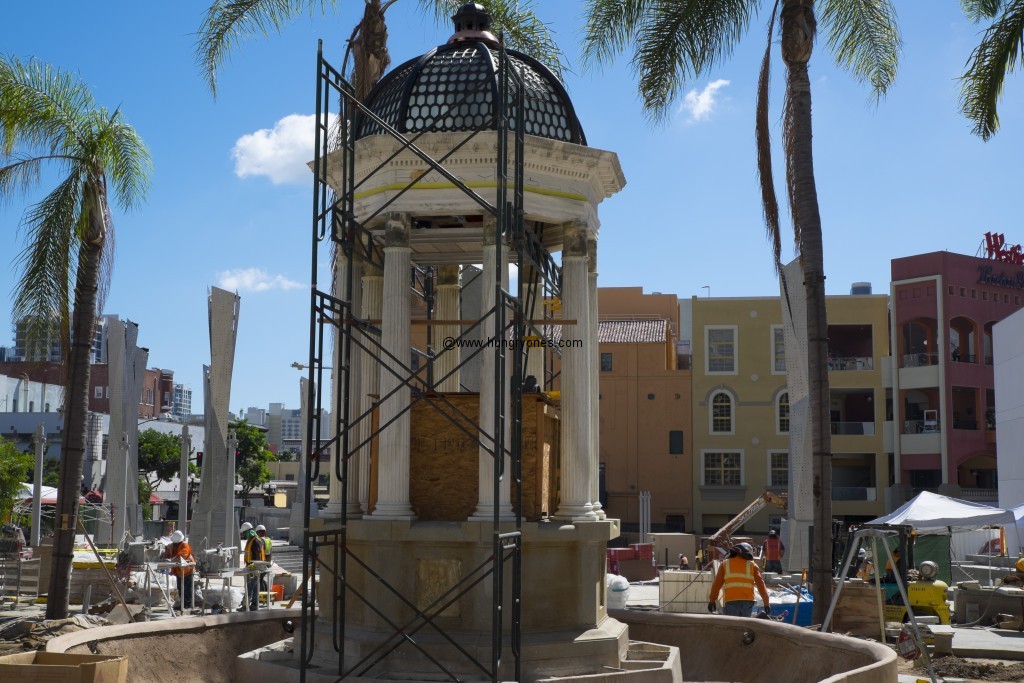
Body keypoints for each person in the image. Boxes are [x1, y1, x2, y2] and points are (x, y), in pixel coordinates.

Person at [707, 543, 771, 618]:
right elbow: (761, 585)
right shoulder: (752, 565)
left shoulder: (725, 564)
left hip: (731, 600)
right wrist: (766, 603)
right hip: (747, 601)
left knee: (733, 627)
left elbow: (716, 585)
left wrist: (712, 600)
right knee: (745, 626)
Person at [164, 530, 195, 611]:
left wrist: (170, 561)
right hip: (180, 571)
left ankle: (187, 605)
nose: (173, 543)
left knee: (187, 589)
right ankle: (182, 604)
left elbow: (179, 557)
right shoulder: (175, 546)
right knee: (180, 588)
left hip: (187, 571)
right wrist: (167, 550)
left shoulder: (185, 546)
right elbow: (171, 554)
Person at [240, 522, 266, 610]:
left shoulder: (255, 540)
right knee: (254, 587)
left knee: (250, 587)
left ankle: (245, 606)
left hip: (254, 568)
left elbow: (258, 554)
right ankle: (254, 605)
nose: (243, 535)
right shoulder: (251, 540)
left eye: (244, 533)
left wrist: (254, 565)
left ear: (248, 532)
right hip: (252, 567)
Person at [256, 524, 273, 593]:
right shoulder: (268, 540)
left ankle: (262, 594)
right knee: (261, 579)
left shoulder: (260, 540)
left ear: (258, 532)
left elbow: (260, 552)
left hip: (263, 563)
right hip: (268, 562)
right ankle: (265, 594)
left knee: (259, 579)